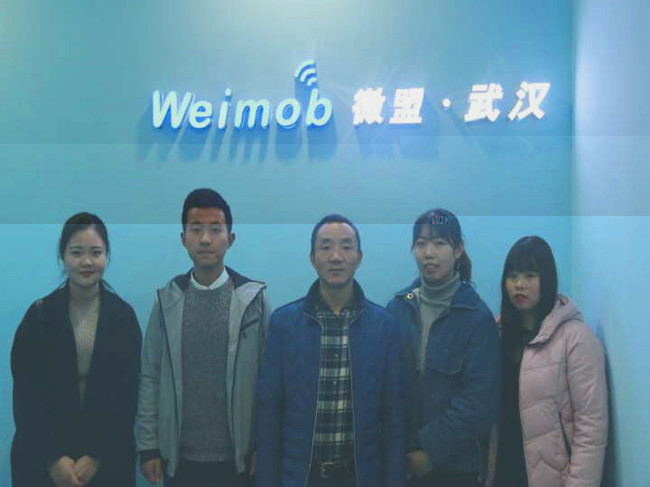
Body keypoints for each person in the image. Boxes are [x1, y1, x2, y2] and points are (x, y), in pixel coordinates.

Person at [256, 214, 405, 487]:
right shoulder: (284, 323)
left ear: (359, 257)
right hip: (301, 478)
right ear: (313, 258)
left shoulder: (384, 326)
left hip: (361, 478)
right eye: (325, 247)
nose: (336, 256)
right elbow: (269, 411)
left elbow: (393, 416)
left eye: (346, 247)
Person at [136, 188, 270, 487]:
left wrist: (264, 444)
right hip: (179, 461)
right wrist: (148, 446)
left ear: (230, 239)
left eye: (215, 229)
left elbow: (269, 380)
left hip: (239, 460)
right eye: (196, 229)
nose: (206, 239)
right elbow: (151, 376)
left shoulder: (254, 301)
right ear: (183, 238)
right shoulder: (166, 301)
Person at [11, 212, 142, 487]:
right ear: (63, 256)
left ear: (107, 256)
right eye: (76, 252)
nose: (87, 261)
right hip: (44, 459)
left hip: (107, 459)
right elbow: (26, 394)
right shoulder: (39, 316)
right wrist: (53, 459)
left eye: (96, 252)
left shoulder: (123, 318)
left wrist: (96, 456)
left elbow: (127, 393)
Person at [386, 208, 501, 487]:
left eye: (439, 243)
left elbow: (478, 402)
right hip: (400, 464)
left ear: (458, 249)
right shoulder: (397, 309)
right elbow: (384, 386)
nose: (429, 253)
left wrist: (430, 452)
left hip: (455, 469)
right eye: (421, 243)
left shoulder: (477, 318)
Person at [493, 236, 608, 487]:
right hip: (502, 471)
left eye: (530, 275)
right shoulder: (497, 335)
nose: (519, 285)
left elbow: (591, 429)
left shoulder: (576, 339)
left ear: (547, 279)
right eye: (512, 276)